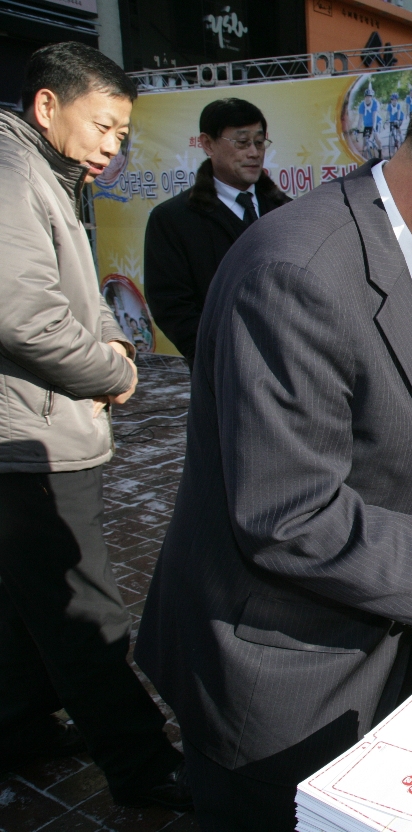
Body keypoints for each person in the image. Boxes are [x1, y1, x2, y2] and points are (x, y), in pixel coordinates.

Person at [134, 64, 412, 830]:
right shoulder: (298, 274)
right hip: (278, 669)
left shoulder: (411, 250)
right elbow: (290, 515)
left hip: (359, 642)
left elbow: (398, 419)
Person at [0, 42, 190, 809]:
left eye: (122, 131)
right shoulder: (12, 176)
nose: (114, 144)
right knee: (84, 608)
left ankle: (20, 728)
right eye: (104, 125)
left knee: (27, 599)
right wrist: (114, 369)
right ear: (48, 107)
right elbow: (23, 315)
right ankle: (145, 769)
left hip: (27, 428)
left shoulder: (42, 172)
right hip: (29, 439)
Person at [144, 98, 291, 368]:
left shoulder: (287, 211)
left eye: (259, 142)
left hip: (290, 363)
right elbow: (171, 306)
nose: (254, 153)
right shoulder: (173, 219)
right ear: (208, 144)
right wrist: (217, 356)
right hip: (221, 370)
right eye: (242, 142)